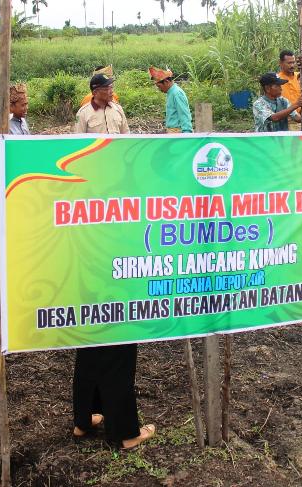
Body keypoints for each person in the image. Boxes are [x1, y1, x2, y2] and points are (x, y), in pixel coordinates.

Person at [72, 86, 155, 448]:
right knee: (119, 352)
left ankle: (84, 419)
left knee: (88, 344)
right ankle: (125, 432)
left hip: (87, 279)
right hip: (116, 284)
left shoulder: (80, 197)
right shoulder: (124, 198)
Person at [277, 49, 302, 130]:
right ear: (280, 63)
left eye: (293, 62)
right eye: (289, 63)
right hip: (285, 121)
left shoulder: (301, 77)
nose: (292, 65)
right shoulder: (277, 80)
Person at [149, 66, 193, 133]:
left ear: (166, 82)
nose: (159, 89)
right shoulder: (171, 93)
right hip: (172, 131)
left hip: (177, 132)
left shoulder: (177, 93)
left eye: (159, 86)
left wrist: (187, 133)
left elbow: (184, 114)